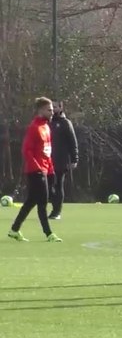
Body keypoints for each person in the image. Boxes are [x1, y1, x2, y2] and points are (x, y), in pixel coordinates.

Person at [7, 97, 60, 243]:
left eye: (52, 109)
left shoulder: (47, 127)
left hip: (45, 170)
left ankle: (14, 229)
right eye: (49, 110)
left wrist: (51, 170)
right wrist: (38, 168)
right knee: (42, 202)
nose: (52, 112)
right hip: (35, 171)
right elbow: (26, 151)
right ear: (41, 110)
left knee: (31, 201)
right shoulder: (34, 128)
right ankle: (48, 233)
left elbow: (47, 152)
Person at [48, 100, 78, 220]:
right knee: (48, 186)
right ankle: (53, 206)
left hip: (61, 160)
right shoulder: (46, 123)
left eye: (55, 107)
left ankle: (56, 211)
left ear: (61, 108)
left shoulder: (65, 123)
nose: (53, 109)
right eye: (51, 107)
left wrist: (74, 159)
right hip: (46, 160)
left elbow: (73, 142)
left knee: (58, 184)